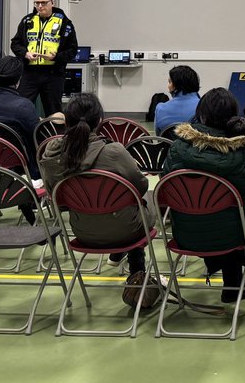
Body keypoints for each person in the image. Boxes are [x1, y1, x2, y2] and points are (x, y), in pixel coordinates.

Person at [38, 93, 159, 307]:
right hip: (126, 227)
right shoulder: (113, 151)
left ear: (66, 121)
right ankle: (137, 272)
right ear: (99, 121)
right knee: (144, 198)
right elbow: (139, 186)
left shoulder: (53, 154)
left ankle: (124, 257)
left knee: (123, 208)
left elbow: (56, 198)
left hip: (83, 230)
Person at [162, 87, 245, 304]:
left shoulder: (178, 148)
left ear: (201, 114)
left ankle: (232, 283)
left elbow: (165, 190)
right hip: (237, 234)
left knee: (217, 219)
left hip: (187, 232)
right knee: (239, 219)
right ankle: (233, 284)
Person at [10, 0, 78, 116]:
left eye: (43, 3)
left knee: (54, 112)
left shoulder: (64, 23)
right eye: (37, 3)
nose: (40, 6)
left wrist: (56, 57)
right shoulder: (27, 21)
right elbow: (15, 43)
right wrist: (25, 53)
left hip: (53, 74)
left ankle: (54, 135)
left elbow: (72, 50)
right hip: (30, 72)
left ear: (52, 3)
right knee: (20, 107)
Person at [153, 65, 202, 136]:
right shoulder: (203, 108)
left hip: (167, 146)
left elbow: (159, 136)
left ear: (176, 85)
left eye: (170, 82)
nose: (168, 86)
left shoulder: (160, 109)